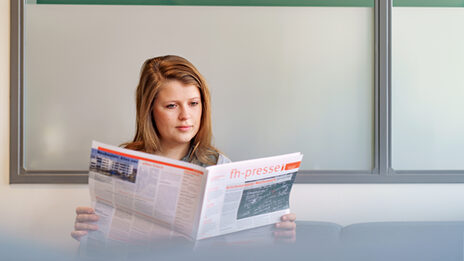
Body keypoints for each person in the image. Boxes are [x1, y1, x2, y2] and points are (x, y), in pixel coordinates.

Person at [71, 55, 296, 242]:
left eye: (193, 103)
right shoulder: (121, 163)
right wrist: (90, 233)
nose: (185, 116)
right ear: (149, 111)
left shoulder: (219, 165)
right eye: (171, 106)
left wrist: (279, 237)